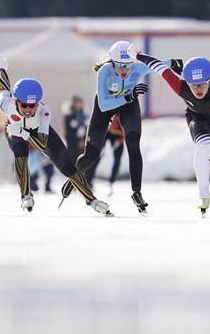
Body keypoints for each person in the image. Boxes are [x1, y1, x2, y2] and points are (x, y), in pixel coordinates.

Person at [136, 51, 210, 216]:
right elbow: (160, 68)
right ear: (187, 81)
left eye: (202, 84)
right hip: (197, 117)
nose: (198, 89)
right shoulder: (180, 86)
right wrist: (139, 55)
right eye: (193, 84)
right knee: (203, 145)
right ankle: (204, 196)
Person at [0, 60, 110, 216]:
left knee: (67, 166)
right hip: (14, 129)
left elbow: (42, 144)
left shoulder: (44, 112)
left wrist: (25, 133)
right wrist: (2, 67)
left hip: (36, 131)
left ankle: (92, 200)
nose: (29, 110)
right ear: (16, 101)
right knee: (20, 154)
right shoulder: (6, 104)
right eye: (24, 105)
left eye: (33, 105)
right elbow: (3, 85)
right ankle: (26, 195)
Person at [62, 41, 150, 215]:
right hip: (106, 106)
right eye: (120, 66)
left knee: (133, 144)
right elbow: (103, 105)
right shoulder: (105, 71)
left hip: (128, 106)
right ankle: (74, 179)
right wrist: (129, 95)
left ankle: (137, 192)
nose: (124, 71)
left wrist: (182, 67)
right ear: (112, 62)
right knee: (91, 155)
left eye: (128, 66)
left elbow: (163, 66)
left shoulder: (140, 68)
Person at [104, 115, 126, 197]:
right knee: (97, 156)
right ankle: (88, 179)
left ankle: (111, 182)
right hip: (106, 131)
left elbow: (127, 130)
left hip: (118, 136)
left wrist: (120, 140)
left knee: (117, 161)